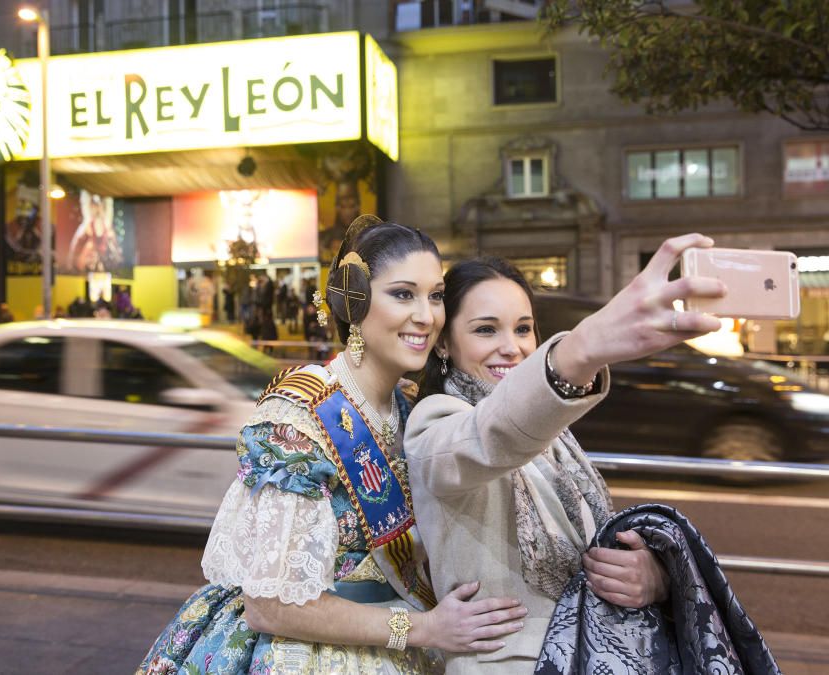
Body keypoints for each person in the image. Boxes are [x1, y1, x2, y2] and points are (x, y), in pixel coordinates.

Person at [136, 217, 527, 674]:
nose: (426, 316)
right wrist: (421, 630)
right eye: (403, 294)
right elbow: (268, 604)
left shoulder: (413, 407)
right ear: (353, 301)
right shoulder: (296, 416)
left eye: (435, 296)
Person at [404, 234, 729, 673]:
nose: (512, 347)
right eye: (486, 329)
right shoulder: (438, 420)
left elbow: (591, 552)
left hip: (597, 652)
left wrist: (651, 576)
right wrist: (581, 350)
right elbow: (489, 437)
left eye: (523, 328)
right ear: (443, 344)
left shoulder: (552, 432)